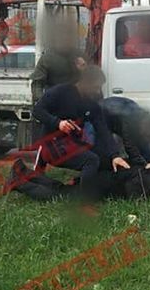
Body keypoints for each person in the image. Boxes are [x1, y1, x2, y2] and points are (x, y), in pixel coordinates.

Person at [31, 65, 130, 194]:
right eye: (95, 87)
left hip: (72, 143)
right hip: (51, 143)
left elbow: (102, 130)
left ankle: (84, 184)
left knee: (103, 159)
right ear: (85, 82)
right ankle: (84, 199)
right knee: (91, 160)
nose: (97, 91)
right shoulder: (60, 92)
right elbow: (37, 111)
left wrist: (114, 155)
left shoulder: (92, 104)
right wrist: (58, 123)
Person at [10, 159, 150, 203]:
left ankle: (23, 172)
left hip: (105, 178)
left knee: (62, 189)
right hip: (105, 187)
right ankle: (19, 183)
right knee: (61, 196)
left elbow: (149, 165)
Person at [31, 17, 87, 102]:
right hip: (54, 101)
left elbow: (92, 81)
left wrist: (84, 70)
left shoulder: (79, 55)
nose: (65, 39)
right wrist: (43, 101)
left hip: (76, 101)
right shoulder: (47, 58)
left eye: (68, 36)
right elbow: (37, 84)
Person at [101, 96, 150, 165]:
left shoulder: (141, 118)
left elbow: (143, 144)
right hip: (104, 112)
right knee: (107, 145)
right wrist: (141, 164)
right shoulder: (129, 121)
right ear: (145, 125)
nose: (146, 135)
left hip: (115, 108)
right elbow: (129, 145)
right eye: (147, 133)